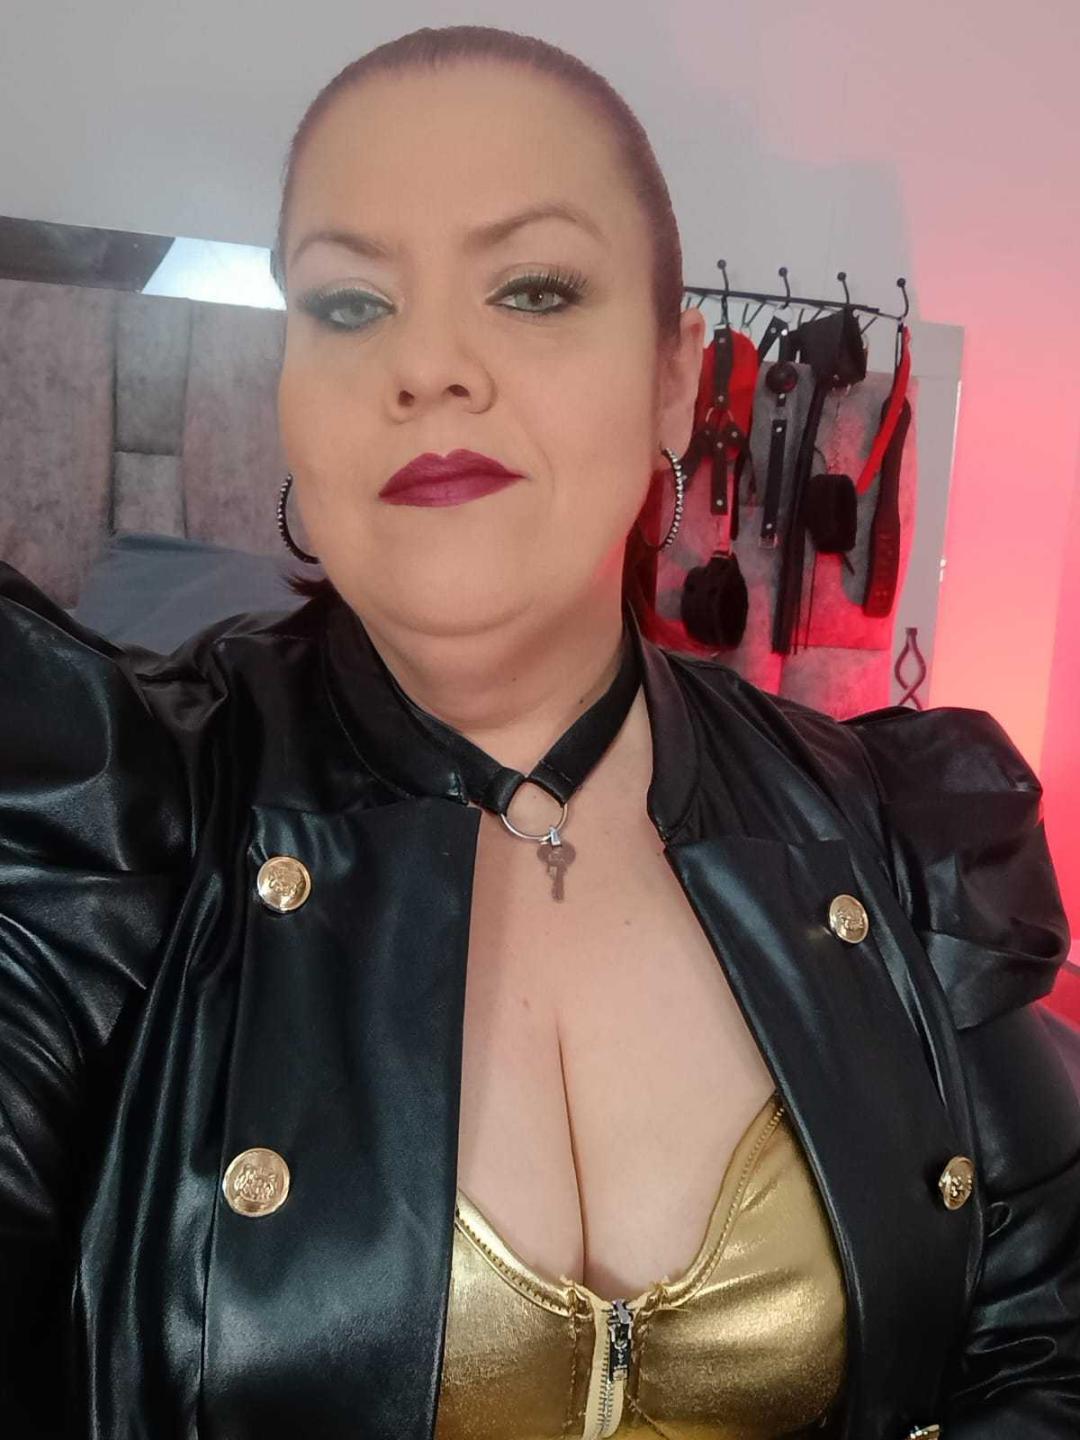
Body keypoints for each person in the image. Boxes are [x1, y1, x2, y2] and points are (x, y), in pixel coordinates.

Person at [1, 22, 1078, 1440]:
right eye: (347, 304)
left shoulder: (885, 828)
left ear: (676, 378)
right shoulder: (106, 826)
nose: (427, 364)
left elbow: (1045, 1342)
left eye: (532, 287)